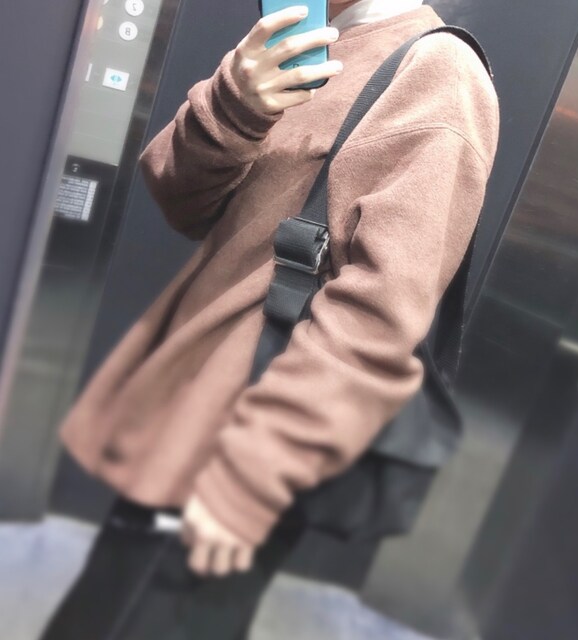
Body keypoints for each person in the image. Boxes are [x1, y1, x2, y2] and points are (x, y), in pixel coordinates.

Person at [39, 0, 500, 638]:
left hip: (248, 438)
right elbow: (180, 201)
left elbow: (376, 318)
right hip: (184, 406)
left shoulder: (438, 71)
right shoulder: (301, 41)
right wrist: (236, 103)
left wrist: (249, 482)